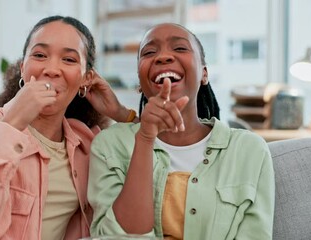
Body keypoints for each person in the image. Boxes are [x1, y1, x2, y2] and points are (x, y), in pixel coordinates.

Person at [0, 15, 136, 240]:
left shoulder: (86, 144)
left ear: (86, 78)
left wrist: (122, 114)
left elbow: (157, 161)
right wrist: (13, 123)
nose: (52, 69)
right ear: (23, 68)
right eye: (39, 55)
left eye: (68, 59)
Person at [88, 23, 275, 239]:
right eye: (149, 52)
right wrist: (145, 138)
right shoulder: (109, 145)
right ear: (139, 82)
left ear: (204, 74)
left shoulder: (249, 150)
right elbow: (118, 236)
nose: (163, 57)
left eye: (180, 48)